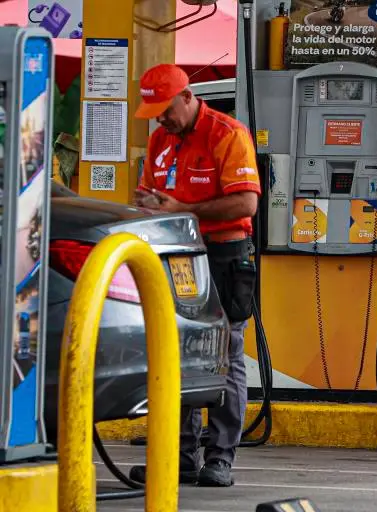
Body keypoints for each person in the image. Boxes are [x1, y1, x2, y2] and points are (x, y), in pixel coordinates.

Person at [128, 64, 261, 486]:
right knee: (174, 351)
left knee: (226, 352)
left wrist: (183, 209)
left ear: (187, 97)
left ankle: (220, 457)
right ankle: (179, 456)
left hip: (223, 253)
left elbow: (246, 204)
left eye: (166, 111)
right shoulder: (160, 141)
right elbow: (153, 196)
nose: (161, 121)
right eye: (154, 114)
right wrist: (151, 207)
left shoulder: (227, 134)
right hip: (176, 254)